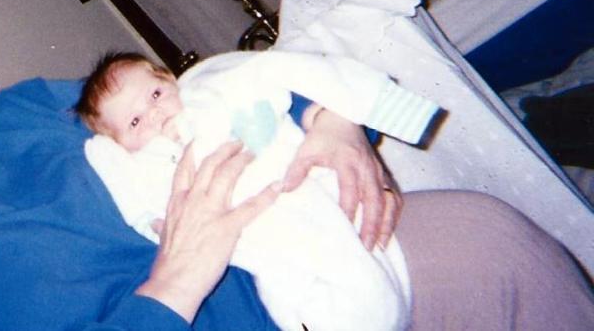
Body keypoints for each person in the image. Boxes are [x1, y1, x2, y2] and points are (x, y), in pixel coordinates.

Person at [0, 0, 594, 330]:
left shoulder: (30, 110)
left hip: (296, 270)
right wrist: (173, 284)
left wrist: (333, 120)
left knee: (494, 239)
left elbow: (199, 103)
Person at [76, 51, 444, 331]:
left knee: (360, 280)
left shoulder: (207, 97)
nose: (155, 115)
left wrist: (332, 117)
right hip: (259, 248)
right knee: (289, 296)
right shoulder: (143, 163)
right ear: (119, 142)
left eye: (155, 95)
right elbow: (142, 205)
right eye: (135, 121)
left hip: (295, 197)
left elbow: (273, 77)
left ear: (171, 81)